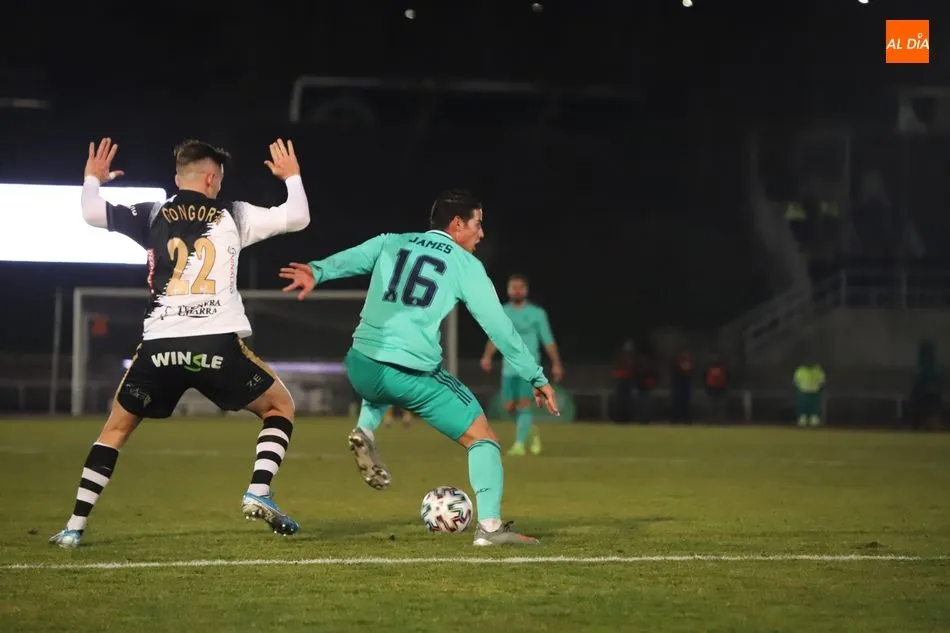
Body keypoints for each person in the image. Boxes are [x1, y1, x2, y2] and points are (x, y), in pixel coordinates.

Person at [49, 137, 311, 548]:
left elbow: (89, 212)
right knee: (280, 407)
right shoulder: (233, 214)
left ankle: (74, 526)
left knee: (115, 430)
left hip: (159, 347)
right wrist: (291, 176)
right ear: (211, 178)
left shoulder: (152, 213)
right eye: (219, 180)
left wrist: (92, 179)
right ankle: (258, 489)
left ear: (178, 178)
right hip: (215, 345)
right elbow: (297, 217)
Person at [279, 190, 558, 546]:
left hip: (361, 365)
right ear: (457, 224)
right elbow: (500, 328)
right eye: (478, 224)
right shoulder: (464, 264)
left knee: (381, 382)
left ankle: (366, 429)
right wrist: (536, 376)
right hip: (410, 374)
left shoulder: (391, 242)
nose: (482, 233)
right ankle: (490, 528)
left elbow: (352, 260)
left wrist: (317, 271)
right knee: (483, 439)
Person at [479, 274, 563, 456]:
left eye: (520, 287)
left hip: (529, 367)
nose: (516, 290)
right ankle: (530, 431)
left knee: (524, 404)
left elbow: (547, 339)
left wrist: (556, 363)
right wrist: (487, 357)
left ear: (526, 290)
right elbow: (496, 336)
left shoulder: (537, 314)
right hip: (508, 367)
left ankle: (519, 445)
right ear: (508, 290)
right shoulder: (502, 311)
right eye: (513, 287)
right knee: (509, 406)